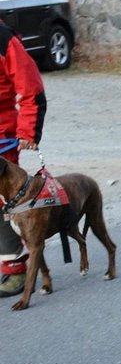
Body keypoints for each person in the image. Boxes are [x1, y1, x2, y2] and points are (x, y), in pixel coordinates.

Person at [0, 19, 47, 297]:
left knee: (4, 202)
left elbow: (31, 87)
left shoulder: (3, 39)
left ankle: (14, 267)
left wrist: (28, 130)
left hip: (2, 136)